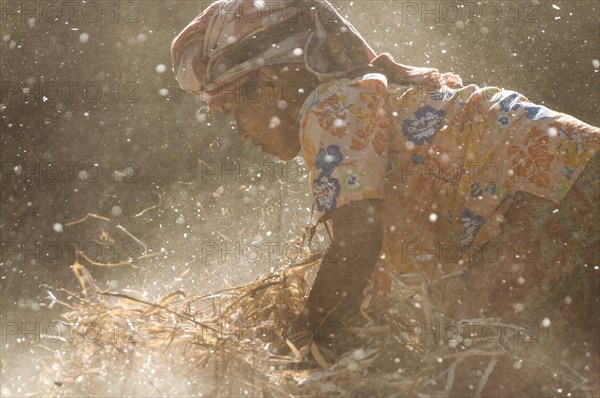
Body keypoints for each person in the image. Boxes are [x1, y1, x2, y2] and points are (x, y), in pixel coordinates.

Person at [171, 0, 599, 353]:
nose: (242, 134)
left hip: (554, 188)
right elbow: (371, 263)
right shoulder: (361, 99)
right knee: (563, 359)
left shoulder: (329, 108)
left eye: (234, 113)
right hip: (570, 179)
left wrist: (300, 342)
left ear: (269, 79)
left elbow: (357, 242)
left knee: (488, 366)